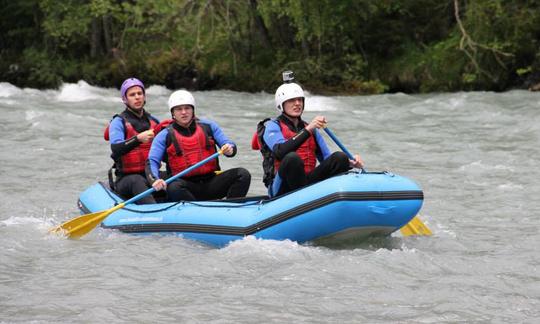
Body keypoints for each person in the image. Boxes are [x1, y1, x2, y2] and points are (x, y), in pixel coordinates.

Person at [252, 79, 364, 197]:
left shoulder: (311, 129)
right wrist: (308, 130)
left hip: (306, 183)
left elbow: (328, 160)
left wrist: (351, 163)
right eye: (291, 100)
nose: (297, 103)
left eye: (300, 100)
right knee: (292, 158)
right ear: (281, 104)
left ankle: (328, 200)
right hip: (281, 187)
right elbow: (280, 152)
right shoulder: (272, 126)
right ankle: (303, 199)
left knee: (340, 157)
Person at [147, 90, 251, 201]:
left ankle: (230, 208)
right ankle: (195, 210)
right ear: (173, 113)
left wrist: (229, 148)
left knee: (243, 174)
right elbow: (152, 161)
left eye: (187, 108)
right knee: (173, 187)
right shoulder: (164, 135)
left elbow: (229, 144)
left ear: (193, 110)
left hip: (210, 182)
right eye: (179, 109)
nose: (183, 112)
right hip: (185, 187)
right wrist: (155, 180)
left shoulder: (209, 126)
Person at [106, 77, 160, 204]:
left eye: (140, 93)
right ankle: (155, 213)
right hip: (126, 179)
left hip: (151, 175)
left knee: (175, 180)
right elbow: (116, 148)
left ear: (144, 97)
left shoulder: (154, 121)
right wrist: (137, 139)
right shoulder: (118, 122)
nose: (137, 97)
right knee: (137, 181)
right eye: (132, 94)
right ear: (125, 99)